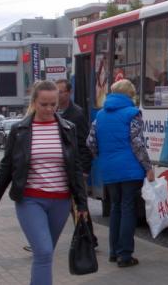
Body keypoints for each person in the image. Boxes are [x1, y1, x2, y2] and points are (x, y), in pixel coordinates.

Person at [0, 80, 88, 285]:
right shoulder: (20, 130)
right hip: (30, 200)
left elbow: (76, 167)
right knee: (44, 252)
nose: (48, 109)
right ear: (34, 102)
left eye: (53, 104)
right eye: (43, 104)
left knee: (44, 255)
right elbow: (6, 168)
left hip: (61, 202)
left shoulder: (67, 128)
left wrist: (82, 204)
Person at [87, 79, 154, 268]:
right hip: (130, 170)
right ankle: (125, 255)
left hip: (108, 169)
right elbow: (138, 143)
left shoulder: (100, 115)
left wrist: (103, 157)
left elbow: (90, 142)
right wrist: (148, 167)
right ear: (129, 95)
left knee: (115, 208)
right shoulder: (132, 113)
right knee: (128, 209)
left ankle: (113, 252)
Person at [56, 78, 98, 246]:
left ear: (69, 93)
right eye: (56, 91)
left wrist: (85, 169)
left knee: (78, 206)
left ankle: (88, 239)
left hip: (74, 168)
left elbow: (84, 144)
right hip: (58, 168)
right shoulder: (53, 112)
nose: (58, 95)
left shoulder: (76, 114)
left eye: (62, 92)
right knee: (57, 206)